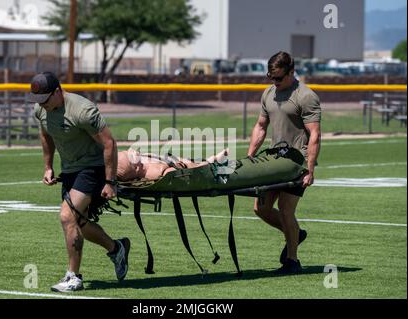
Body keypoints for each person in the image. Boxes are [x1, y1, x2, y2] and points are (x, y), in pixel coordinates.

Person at [28, 71, 130, 292]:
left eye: (45, 100)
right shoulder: (41, 109)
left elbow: (110, 143)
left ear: (57, 91)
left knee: (67, 216)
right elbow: (46, 135)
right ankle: (117, 248)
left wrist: (110, 181)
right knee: (79, 224)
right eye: (38, 101)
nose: (41, 105)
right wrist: (48, 166)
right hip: (70, 168)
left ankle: (73, 277)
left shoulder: (82, 110)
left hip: (93, 167)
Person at [247, 51, 321, 274]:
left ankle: (292, 260)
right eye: (271, 77)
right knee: (260, 208)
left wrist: (309, 169)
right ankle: (295, 235)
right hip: (274, 160)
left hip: (297, 163)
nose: (274, 82)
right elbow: (260, 127)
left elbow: (315, 135)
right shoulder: (268, 94)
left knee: (286, 210)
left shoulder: (306, 96)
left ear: (292, 72)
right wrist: (251, 156)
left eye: (279, 78)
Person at [116, 148, 230, 182]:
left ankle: (209, 161)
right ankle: (210, 163)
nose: (131, 151)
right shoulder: (152, 172)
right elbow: (168, 174)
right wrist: (175, 168)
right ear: (136, 167)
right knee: (191, 165)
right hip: (178, 167)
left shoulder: (142, 163)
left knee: (187, 161)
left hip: (170, 161)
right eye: (130, 155)